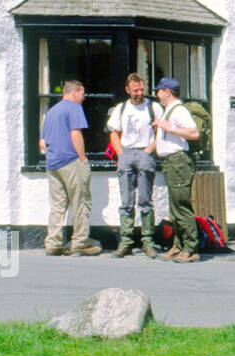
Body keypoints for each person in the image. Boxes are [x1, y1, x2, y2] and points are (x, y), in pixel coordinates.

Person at [40, 80, 101, 257]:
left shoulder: (52, 111)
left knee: (57, 205)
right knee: (81, 202)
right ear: (74, 93)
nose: (83, 98)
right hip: (70, 161)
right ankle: (80, 242)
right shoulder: (74, 108)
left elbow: (42, 143)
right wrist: (83, 160)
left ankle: (53, 243)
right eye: (82, 94)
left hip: (52, 163)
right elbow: (76, 134)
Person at [106, 73, 162, 258]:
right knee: (126, 202)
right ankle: (126, 241)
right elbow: (113, 132)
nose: (139, 93)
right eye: (135, 90)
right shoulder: (121, 108)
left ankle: (148, 241)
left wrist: (149, 150)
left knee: (145, 200)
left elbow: (160, 131)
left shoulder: (153, 107)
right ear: (127, 90)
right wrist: (121, 153)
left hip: (145, 152)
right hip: (127, 153)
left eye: (141, 89)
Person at [152, 77, 199, 263]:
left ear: (167, 92)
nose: (157, 95)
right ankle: (178, 245)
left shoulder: (178, 110)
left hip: (178, 161)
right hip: (171, 162)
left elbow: (193, 133)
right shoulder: (169, 110)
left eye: (158, 91)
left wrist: (169, 128)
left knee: (181, 206)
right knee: (175, 207)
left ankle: (191, 248)